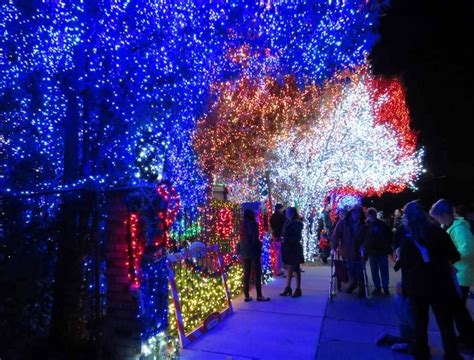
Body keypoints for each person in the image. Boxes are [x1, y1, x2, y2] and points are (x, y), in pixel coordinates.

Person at [398, 201, 463, 359]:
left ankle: (421, 352)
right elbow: (455, 256)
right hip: (441, 284)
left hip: (417, 287)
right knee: (445, 323)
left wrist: (405, 288)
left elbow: (404, 267)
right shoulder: (437, 232)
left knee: (420, 323)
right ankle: (452, 354)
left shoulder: (407, 237)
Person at [430, 199, 474, 346]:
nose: (436, 219)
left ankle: (467, 338)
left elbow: (468, 250)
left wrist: (448, 259)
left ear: (444, 214)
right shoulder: (447, 226)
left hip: (461, 273)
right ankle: (466, 336)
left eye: (437, 216)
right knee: (458, 309)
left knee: (458, 310)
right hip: (455, 273)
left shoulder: (460, 228)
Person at [331, 205, 371, 297]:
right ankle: (353, 283)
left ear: (361, 214)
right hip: (348, 251)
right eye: (354, 212)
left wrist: (364, 246)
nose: (356, 215)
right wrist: (333, 247)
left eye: (358, 213)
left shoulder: (364, 225)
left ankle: (362, 288)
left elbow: (368, 238)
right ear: (351, 213)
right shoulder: (343, 223)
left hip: (359, 252)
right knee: (350, 269)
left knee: (360, 270)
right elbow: (336, 235)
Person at [238, 208, 270, 302]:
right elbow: (254, 239)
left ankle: (246, 296)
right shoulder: (253, 224)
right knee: (257, 273)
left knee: (247, 273)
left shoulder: (241, 224)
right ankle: (259, 295)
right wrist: (260, 244)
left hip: (244, 251)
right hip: (253, 251)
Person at [365, 208, 392, 295]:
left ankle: (385, 287)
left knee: (384, 269)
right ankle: (377, 287)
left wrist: (388, 247)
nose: (372, 217)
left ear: (375, 215)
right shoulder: (365, 225)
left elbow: (389, 236)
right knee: (374, 270)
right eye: (370, 215)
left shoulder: (383, 224)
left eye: (373, 215)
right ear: (368, 216)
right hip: (372, 251)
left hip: (382, 250)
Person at [280, 207, 304, 298]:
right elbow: (284, 234)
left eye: (288, 212)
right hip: (288, 248)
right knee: (289, 268)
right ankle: (288, 287)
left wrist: (285, 240)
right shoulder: (287, 222)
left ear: (292, 214)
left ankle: (298, 289)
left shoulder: (296, 224)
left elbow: (297, 237)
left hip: (294, 248)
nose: (286, 214)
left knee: (296, 268)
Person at [270, 204, 286, 276]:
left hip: (275, 235)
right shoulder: (282, 216)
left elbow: (271, 225)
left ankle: (276, 268)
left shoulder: (272, 216)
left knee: (276, 252)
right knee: (281, 254)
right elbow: (284, 225)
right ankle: (280, 269)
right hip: (281, 235)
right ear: (280, 208)